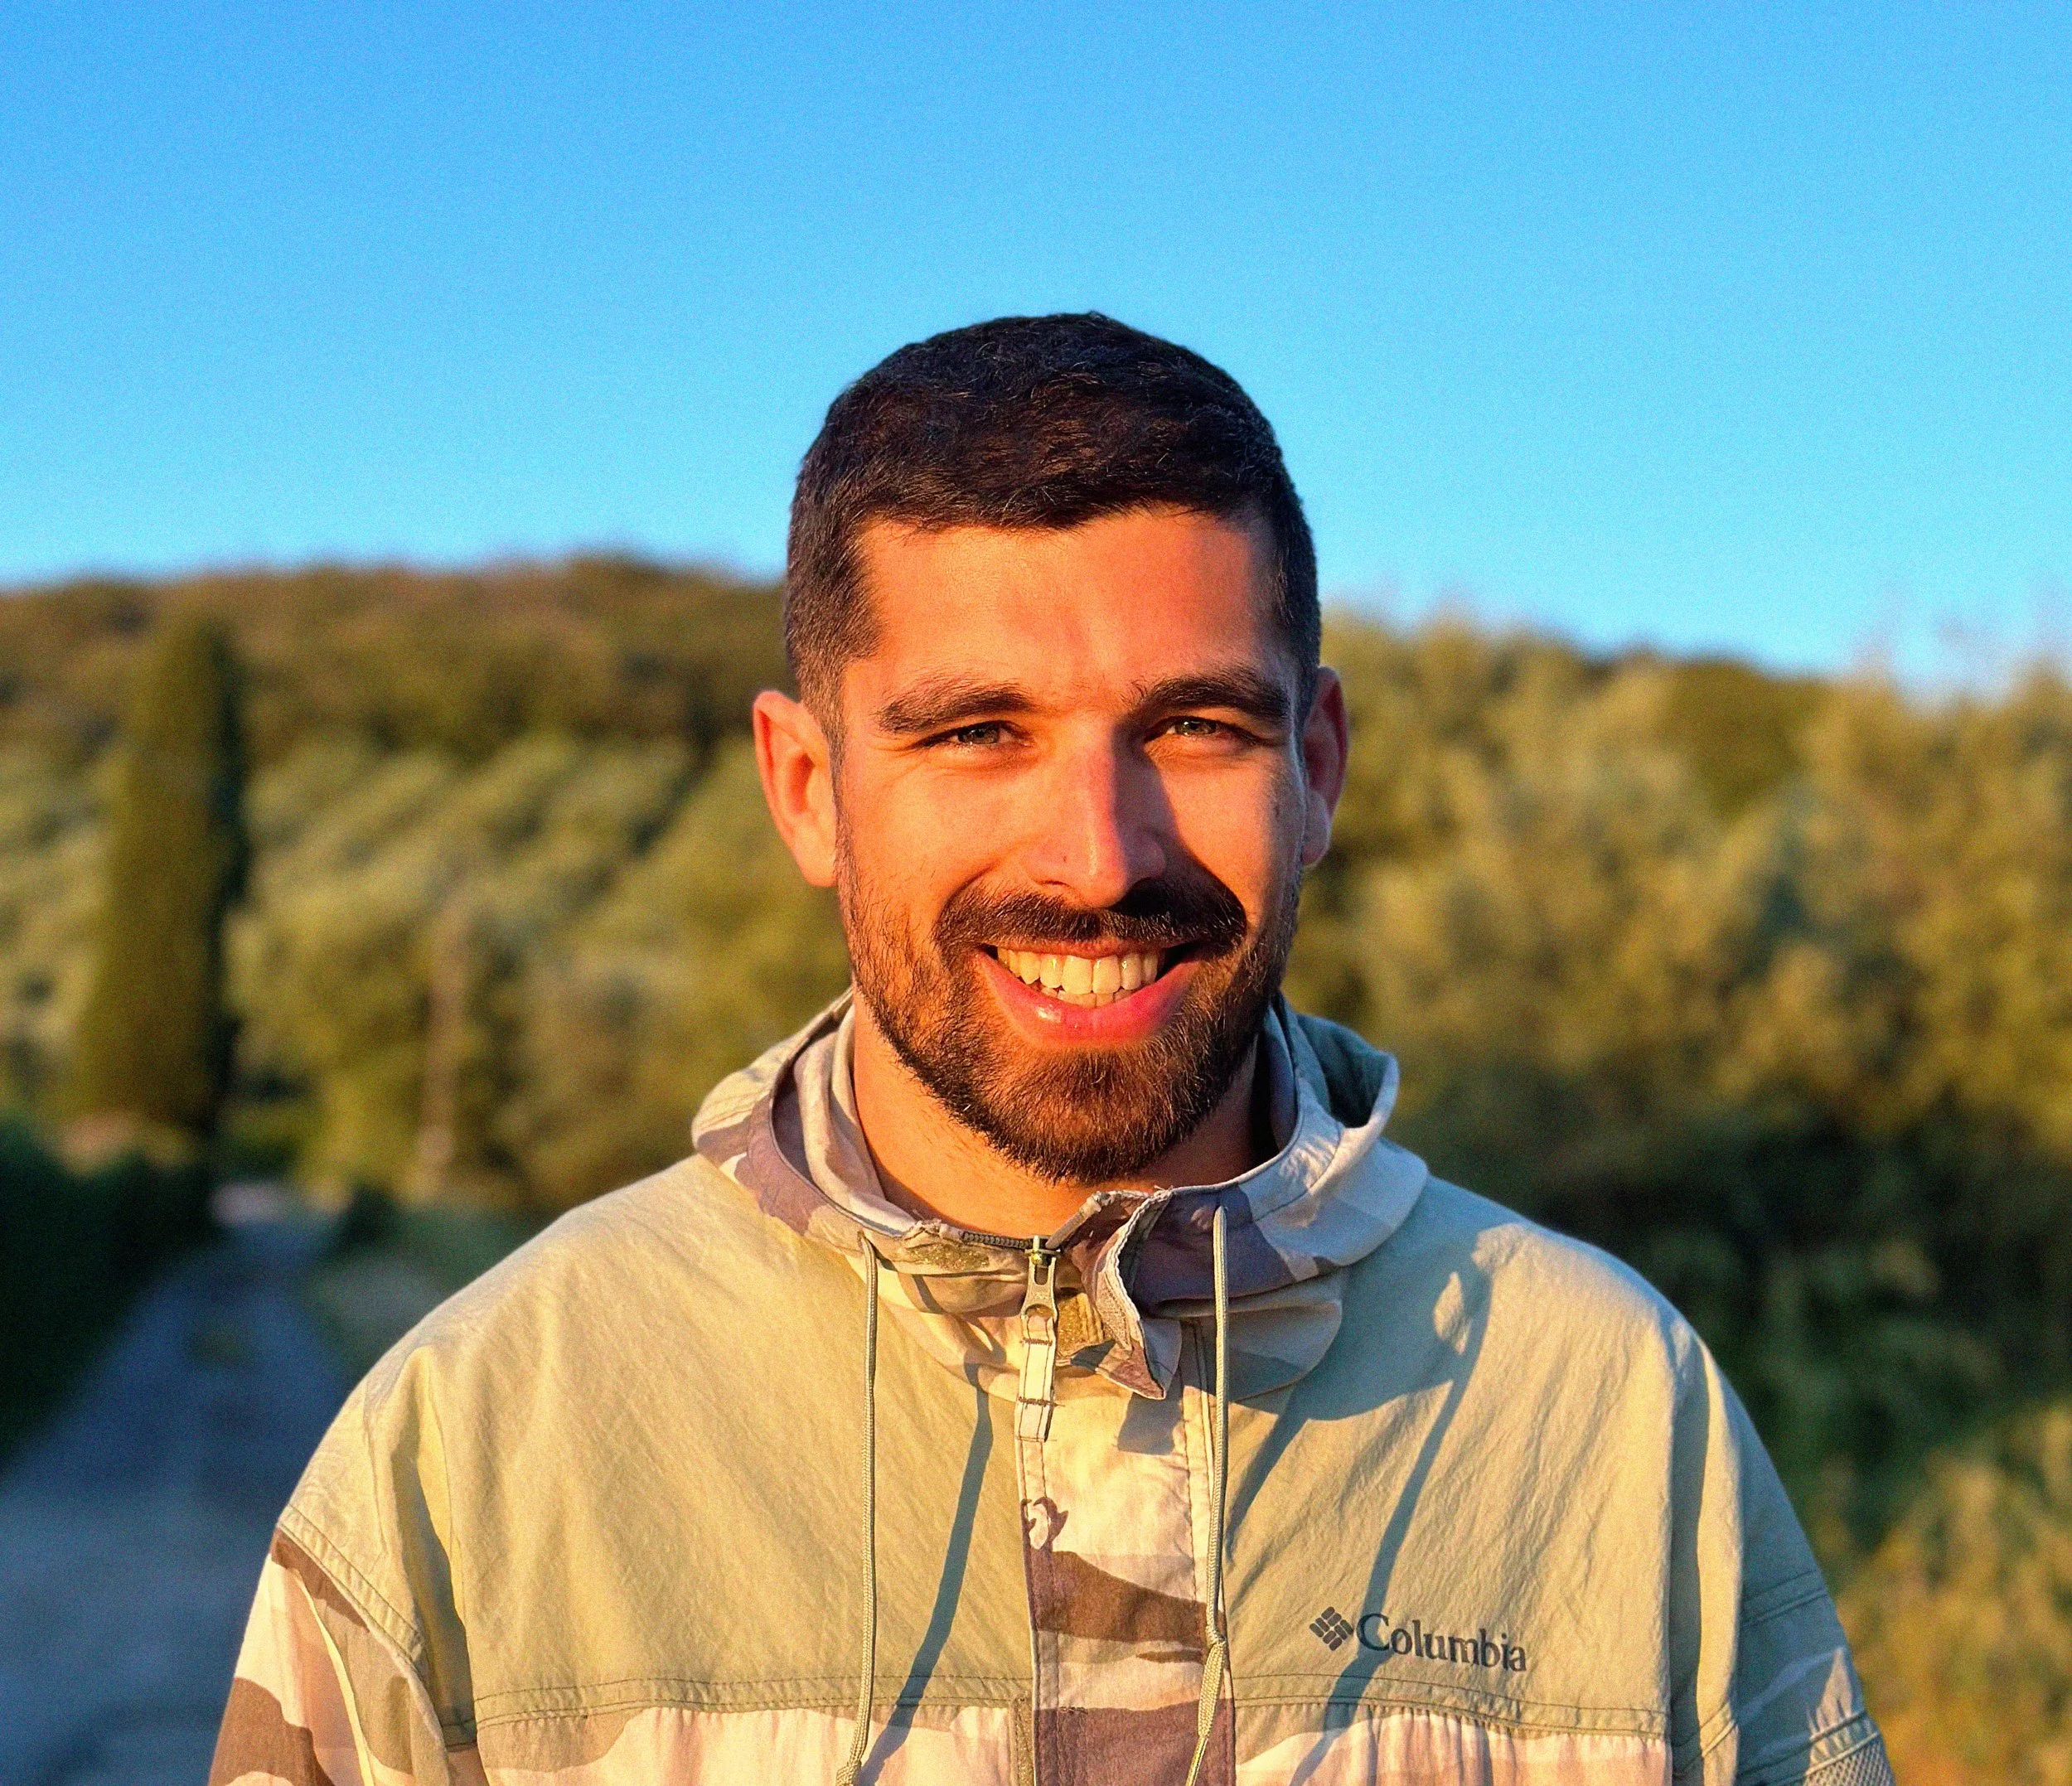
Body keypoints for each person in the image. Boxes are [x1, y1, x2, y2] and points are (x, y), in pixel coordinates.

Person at [211, 313, 1890, 1786]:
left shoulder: (1604, 1414)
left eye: (1192, 726)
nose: (1096, 857)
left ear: (1315, 768)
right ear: (806, 789)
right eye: (975, 733)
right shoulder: (478, 1442)